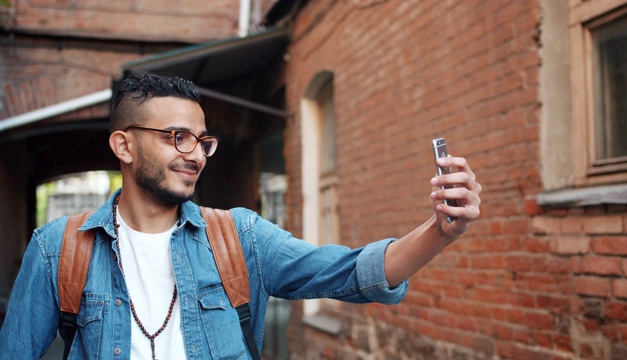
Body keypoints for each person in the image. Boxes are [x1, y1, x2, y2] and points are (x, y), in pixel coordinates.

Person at [0, 73, 482, 359]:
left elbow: (350, 272)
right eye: (175, 136)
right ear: (124, 145)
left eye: (202, 140)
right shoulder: (58, 248)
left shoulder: (239, 236)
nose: (196, 154)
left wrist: (441, 230)